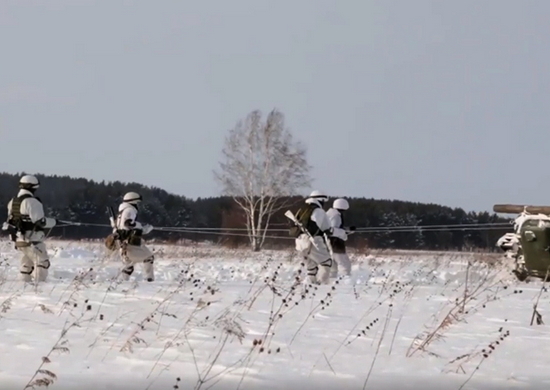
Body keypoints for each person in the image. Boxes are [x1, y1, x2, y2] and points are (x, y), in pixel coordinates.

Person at [4, 175, 57, 283]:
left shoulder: (12, 202)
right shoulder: (32, 202)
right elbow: (40, 221)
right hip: (33, 239)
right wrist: (54, 222)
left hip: (19, 239)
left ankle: (24, 287)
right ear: (33, 187)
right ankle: (39, 286)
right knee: (42, 262)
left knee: (26, 264)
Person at [291, 190, 334, 285]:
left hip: (299, 242)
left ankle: (309, 284)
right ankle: (322, 285)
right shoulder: (319, 211)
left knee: (311, 267)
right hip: (313, 240)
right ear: (321, 200)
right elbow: (327, 228)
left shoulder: (301, 210)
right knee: (326, 262)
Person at [113, 191, 155, 282]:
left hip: (122, 243)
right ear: (133, 202)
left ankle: (122, 282)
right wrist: (142, 228)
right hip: (130, 243)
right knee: (149, 257)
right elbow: (128, 223)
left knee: (130, 264)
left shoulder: (122, 211)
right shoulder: (130, 210)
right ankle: (149, 279)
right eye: (137, 202)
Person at [326, 198, 355, 279]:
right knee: (344, 263)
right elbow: (333, 230)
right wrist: (344, 232)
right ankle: (346, 280)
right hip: (335, 243)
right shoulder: (336, 216)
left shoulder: (329, 214)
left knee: (333, 264)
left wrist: (347, 230)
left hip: (328, 243)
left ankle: (332, 279)